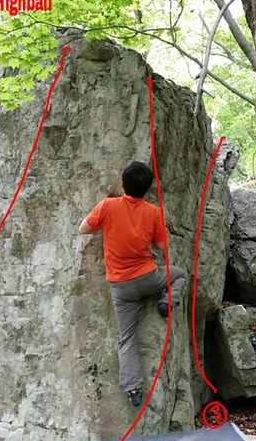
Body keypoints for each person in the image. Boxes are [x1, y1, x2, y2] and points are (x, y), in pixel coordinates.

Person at [78, 161, 187, 406]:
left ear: (122, 184)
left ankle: (133, 389)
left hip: (122, 287)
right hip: (149, 279)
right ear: (147, 190)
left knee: (127, 338)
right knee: (179, 274)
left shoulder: (108, 206)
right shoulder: (153, 212)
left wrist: (107, 224)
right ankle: (167, 301)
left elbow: (83, 229)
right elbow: (162, 246)